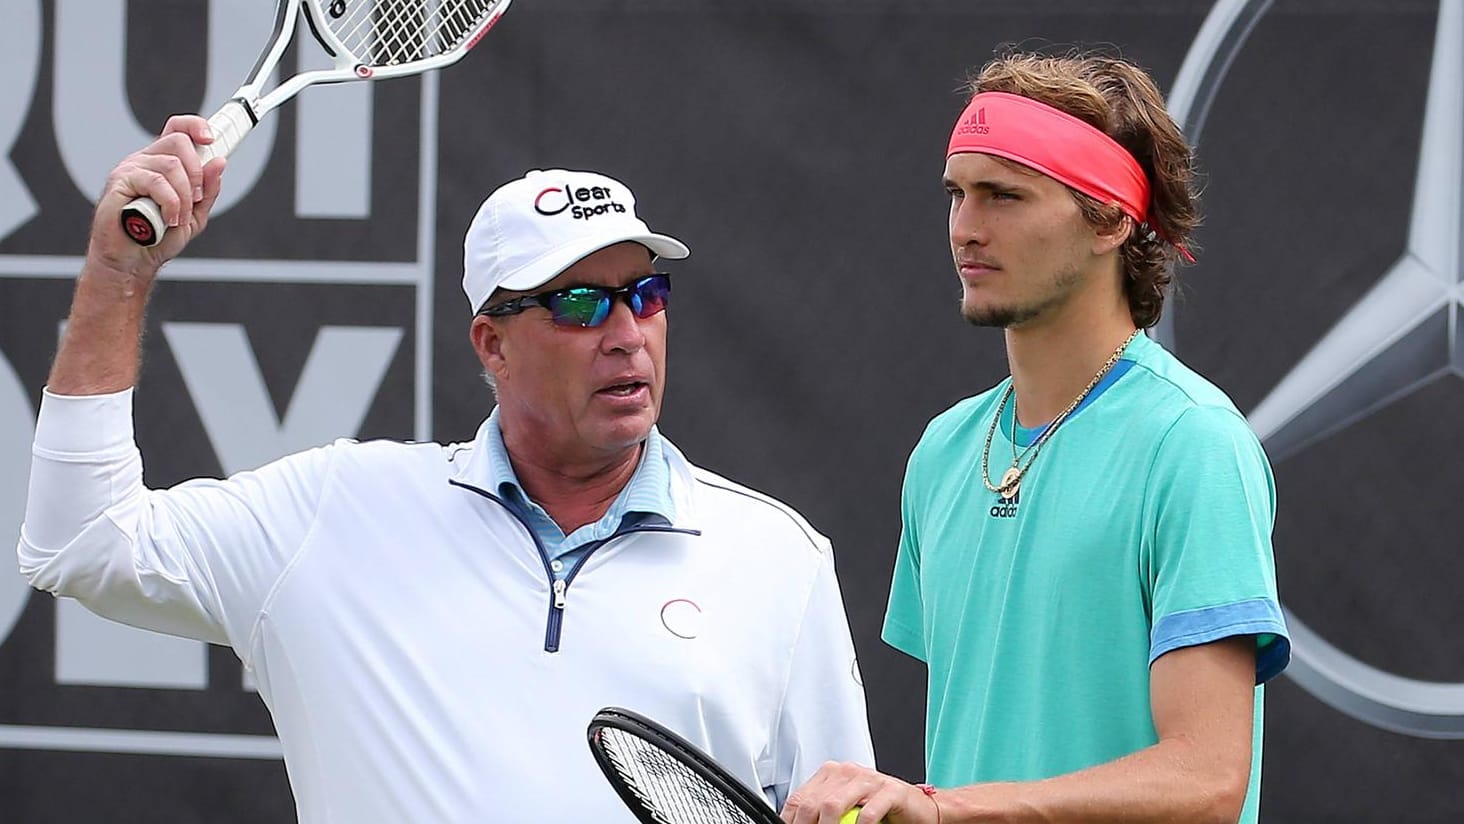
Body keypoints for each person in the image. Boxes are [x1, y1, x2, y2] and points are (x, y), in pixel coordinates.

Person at [17, 116, 873, 823]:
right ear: (491, 343)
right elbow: (79, 540)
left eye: (644, 295)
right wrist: (117, 276)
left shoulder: (778, 559)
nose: (626, 332)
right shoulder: (335, 512)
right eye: (578, 302)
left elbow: (844, 812)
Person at [782, 50, 1290, 824]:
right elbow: (992, 742)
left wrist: (950, 809)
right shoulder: (942, 453)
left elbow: (1208, 781)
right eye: (957, 194)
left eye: (1004, 196)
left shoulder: (1193, 446)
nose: (966, 229)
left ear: (1114, 218)